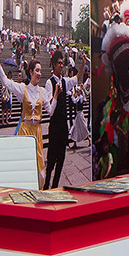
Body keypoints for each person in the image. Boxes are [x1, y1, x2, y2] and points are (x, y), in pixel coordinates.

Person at [0, 47, 54, 180]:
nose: (39, 73)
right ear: (30, 72)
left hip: (37, 131)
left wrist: (56, 95)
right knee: (25, 165)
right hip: (25, 130)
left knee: (38, 167)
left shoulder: (42, 91)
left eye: (40, 71)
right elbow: (5, 81)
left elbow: (50, 111)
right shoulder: (23, 89)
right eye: (37, 70)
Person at [43, 52, 73, 189]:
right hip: (55, 126)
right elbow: (50, 108)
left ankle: (55, 186)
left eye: (62, 63)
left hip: (63, 126)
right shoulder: (49, 83)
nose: (61, 65)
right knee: (51, 161)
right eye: (59, 63)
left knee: (61, 159)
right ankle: (46, 186)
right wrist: (56, 92)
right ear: (54, 65)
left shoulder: (64, 81)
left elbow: (76, 79)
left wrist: (84, 64)